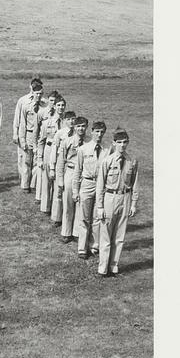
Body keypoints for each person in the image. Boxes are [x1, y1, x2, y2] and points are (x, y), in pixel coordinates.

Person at [96, 129, 140, 277]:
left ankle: (114, 265)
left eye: (125, 142)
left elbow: (135, 183)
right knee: (106, 234)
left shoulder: (131, 161)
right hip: (110, 197)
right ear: (113, 143)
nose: (122, 145)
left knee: (120, 236)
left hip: (125, 198)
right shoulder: (107, 161)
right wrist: (100, 206)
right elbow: (100, 185)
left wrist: (133, 203)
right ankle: (103, 268)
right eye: (119, 142)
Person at [73, 121, 109, 259]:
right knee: (84, 217)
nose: (99, 135)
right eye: (97, 131)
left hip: (101, 185)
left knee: (97, 217)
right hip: (87, 184)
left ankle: (94, 245)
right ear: (92, 131)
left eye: (102, 132)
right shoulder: (83, 149)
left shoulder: (107, 150)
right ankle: (82, 247)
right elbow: (78, 171)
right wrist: (75, 190)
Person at [56, 116, 88, 243]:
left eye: (83, 126)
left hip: (83, 174)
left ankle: (76, 232)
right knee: (68, 203)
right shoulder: (67, 141)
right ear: (74, 127)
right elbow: (61, 162)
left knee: (80, 203)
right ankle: (66, 232)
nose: (81, 128)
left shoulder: (89, 142)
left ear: (86, 127)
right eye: (78, 126)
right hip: (70, 171)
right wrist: (60, 179)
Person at [13, 78, 44, 193]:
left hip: (39, 136)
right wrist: (18, 136)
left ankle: (33, 184)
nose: (38, 94)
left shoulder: (44, 103)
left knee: (36, 160)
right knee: (25, 160)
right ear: (30, 87)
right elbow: (20, 121)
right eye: (35, 87)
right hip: (28, 134)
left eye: (40, 89)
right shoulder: (24, 101)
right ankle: (25, 184)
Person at [37, 96, 66, 215]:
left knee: (58, 180)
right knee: (47, 179)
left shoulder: (68, 122)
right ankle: (45, 207)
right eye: (58, 105)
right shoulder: (47, 122)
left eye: (63, 105)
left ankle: (56, 211)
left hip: (62, 153)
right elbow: (41, 141)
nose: (60, 107)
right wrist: (39, 157)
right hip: (49, 150)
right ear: (54, 106)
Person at [50, 110, 76, 225]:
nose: (71, 121)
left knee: (69, 194)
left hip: (71, 167)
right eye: (69, 119)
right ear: (64, 121)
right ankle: (57, 217)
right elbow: (54, 150)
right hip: (61, 165)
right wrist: (52, 166)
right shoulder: (60, 133)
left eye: (73, 119)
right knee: (59, 191)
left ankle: (70, 218)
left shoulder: (77, 134)